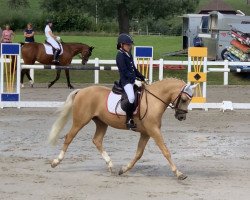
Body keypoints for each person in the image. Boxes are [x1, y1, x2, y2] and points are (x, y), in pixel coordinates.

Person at [116, 33, 145, 129]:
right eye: (128, 45)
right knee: (132, 98)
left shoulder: (129, 54)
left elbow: (134, 69)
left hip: (132, 79)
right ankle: (128, 119)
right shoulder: (120, 55)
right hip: (126, 81)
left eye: (130, 44)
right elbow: (124, 71)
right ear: (121, 45)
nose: (130, 46)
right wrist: (134, 80)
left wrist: (142, 77)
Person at [22, 23, 35, 88]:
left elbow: (31, 35)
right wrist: (29, 35)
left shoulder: (32, 30)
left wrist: (28, 35)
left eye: (29, 26)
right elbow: (25, 36)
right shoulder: (25, 30)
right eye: (28, 26)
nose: (28, 26)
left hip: (32, 43)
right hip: (27, 43)